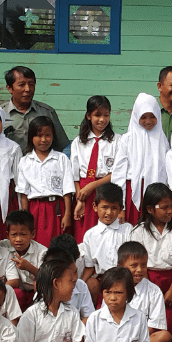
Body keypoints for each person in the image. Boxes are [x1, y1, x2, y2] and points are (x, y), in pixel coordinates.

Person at [129, 183, 172, 324]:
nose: (169, 211)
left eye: (171, 206)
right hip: (147, 277)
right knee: (149, 315)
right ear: (150, 209)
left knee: (171, 322)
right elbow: (138, 263)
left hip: (171, 278)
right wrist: (149, 287)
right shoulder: (139, 231)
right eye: (164, 207)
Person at [15, 117, 75, 248]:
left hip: (57, 209)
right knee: (37, 245)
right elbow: (23, 193)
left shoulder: (61, 159)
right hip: (35, 210)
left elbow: (67, 190)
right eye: (39, 135)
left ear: (53, 136)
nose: (43, 140)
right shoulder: (25, 161)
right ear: (31, 137)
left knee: (57, 247)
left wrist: (67, 214)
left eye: (48, 135)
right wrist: (25, 219)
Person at [113, 93, 169, 225]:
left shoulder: (162, 139)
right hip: (131, 191)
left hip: (155, 194)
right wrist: (120, 206)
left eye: (152, 116)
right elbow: (118, 173)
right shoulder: (127, 139)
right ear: (136, 115)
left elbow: (166, 170)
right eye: (143, 117)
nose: (148, 121)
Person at [71, 95, 117, 239]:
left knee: (104, 233)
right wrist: (81, 199)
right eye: (97, 115)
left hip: (106, 189)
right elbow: (74, 175)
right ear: (88, 116)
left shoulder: (117, 141)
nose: (102, 119)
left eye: (106, 115)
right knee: (83, 235)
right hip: (83, 193)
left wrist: (92, 186)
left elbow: (117, 172)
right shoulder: (78, 142)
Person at [117, 241, 172, 342]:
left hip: (141, 338)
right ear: (120, 266)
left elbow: (153, 326)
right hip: (117, 336)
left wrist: (134, 338)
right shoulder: (114, 288)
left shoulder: (154, 291)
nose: (139, 269)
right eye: (134, 265)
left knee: (164, 336)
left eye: (143, 265)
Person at [80, 183, 130, 299]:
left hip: (123, 278)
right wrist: (79, 285)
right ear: (95, 207)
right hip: (101, 280)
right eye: (104, 207)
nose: (108, 212)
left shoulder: (127, 230)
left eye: (114, 208)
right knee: (90, 284)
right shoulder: (90, 235)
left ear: (120, 209)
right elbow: (89, 267)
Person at [2, 66, 68, 154]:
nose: (27, 89)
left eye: (31, 84)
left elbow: (59, 145)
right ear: (9, 88)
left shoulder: (47, 112)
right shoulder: (0, 114)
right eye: (21, 85)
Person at [3, 210, 46, 309]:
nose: (18, 239)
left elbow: (47, 277)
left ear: (33, 234)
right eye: (14, 234)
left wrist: (29, 267)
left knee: (39, 285)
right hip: (16, 293)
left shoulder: (42, 252)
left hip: (35, 292)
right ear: (7, 235)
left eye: (23, 234)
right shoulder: (3, 245)